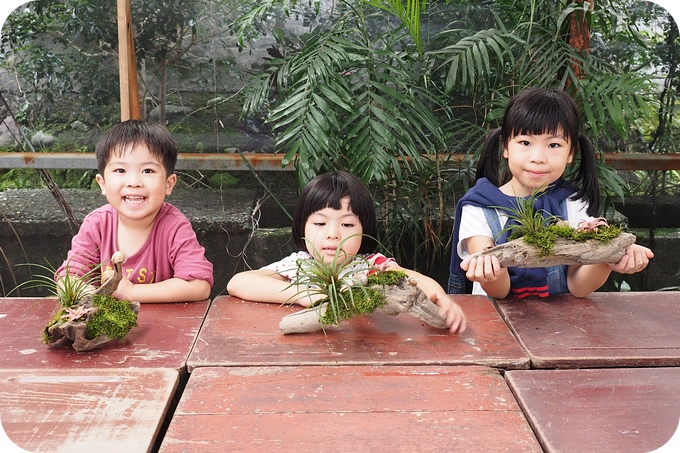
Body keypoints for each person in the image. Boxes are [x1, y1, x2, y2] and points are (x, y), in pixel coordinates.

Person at [448, 88, 654, 299]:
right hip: (495, 326)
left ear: (571, 153)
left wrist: (608, 258)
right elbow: (499, 292)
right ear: (505, 147)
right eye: (525, 143)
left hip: (561, 326)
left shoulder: (573, 203)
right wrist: (493, 273)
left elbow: (578, 286)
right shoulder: (478, 207)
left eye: (553, 144)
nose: (538, 157)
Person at [227, 170, 467, 333]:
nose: (333, 234)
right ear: (302, 227)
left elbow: (419, 282)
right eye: (320, 223)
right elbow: (239, 282)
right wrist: (302, 293)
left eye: (347, 224)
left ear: (365, 230)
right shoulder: (300, 266)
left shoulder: (373, 266)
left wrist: (442, 300)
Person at [56, 120, 213, 303]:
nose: (134, 182)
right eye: (120, 170)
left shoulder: (174, 226)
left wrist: (131, 293)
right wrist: (94, 298)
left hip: (166, 326)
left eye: (147, 170)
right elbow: (68, 279)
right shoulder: (97, 224)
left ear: (168, 184)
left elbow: (199, 286)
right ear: (103, 183)